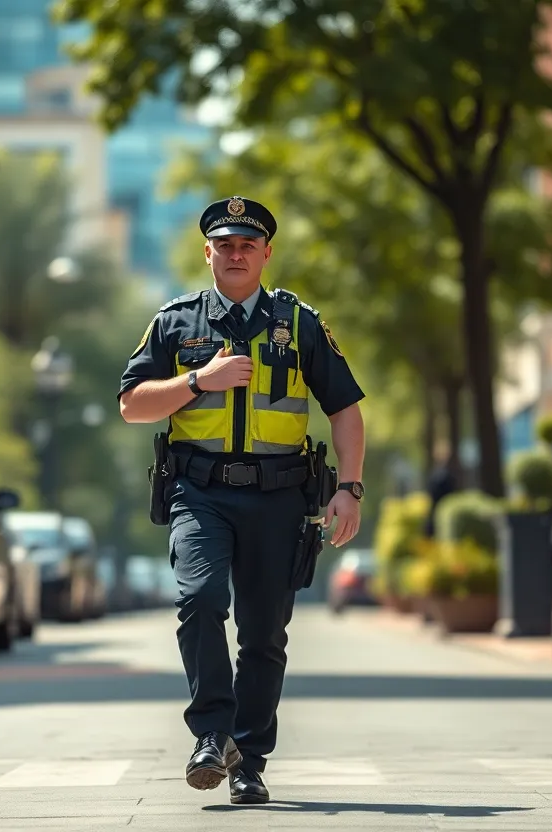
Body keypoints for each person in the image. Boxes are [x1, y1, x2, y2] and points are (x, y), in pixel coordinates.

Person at [118, 195, 367, 805]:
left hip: (281, 497)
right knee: (199, 600)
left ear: (265, 255)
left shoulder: (299, 324)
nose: (235, 254)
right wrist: (198, 380)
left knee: (263, 634)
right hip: (199, 493)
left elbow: (345, 409)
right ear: (207, 253)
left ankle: (247, 758)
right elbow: (131, 404)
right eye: (224, 244)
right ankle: (210, 733)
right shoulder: (175, 322)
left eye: (246, 245)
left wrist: (350, 488)